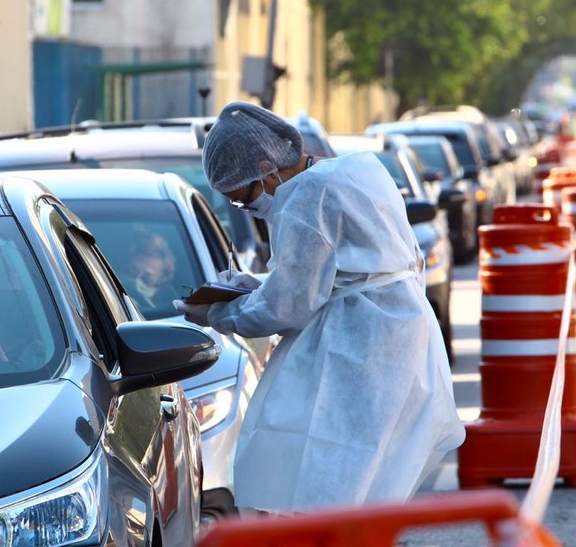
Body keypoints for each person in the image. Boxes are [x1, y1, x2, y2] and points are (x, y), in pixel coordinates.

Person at [173, 101, 465, 515]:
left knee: (329, 487)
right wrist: (257, 285)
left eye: (244, 198)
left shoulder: (306, 199)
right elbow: (344, 272)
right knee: (369, 486)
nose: (248, 209)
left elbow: (287, 307)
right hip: (399, 338)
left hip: (358, 352)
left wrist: (218, 314)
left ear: (266, 168)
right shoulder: (358, 170)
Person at [124, 227, 178, 313]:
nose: (136, 282)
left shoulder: (172, 307)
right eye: (132, 274)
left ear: (162, 280)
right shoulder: (109, 287)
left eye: (146, 279)